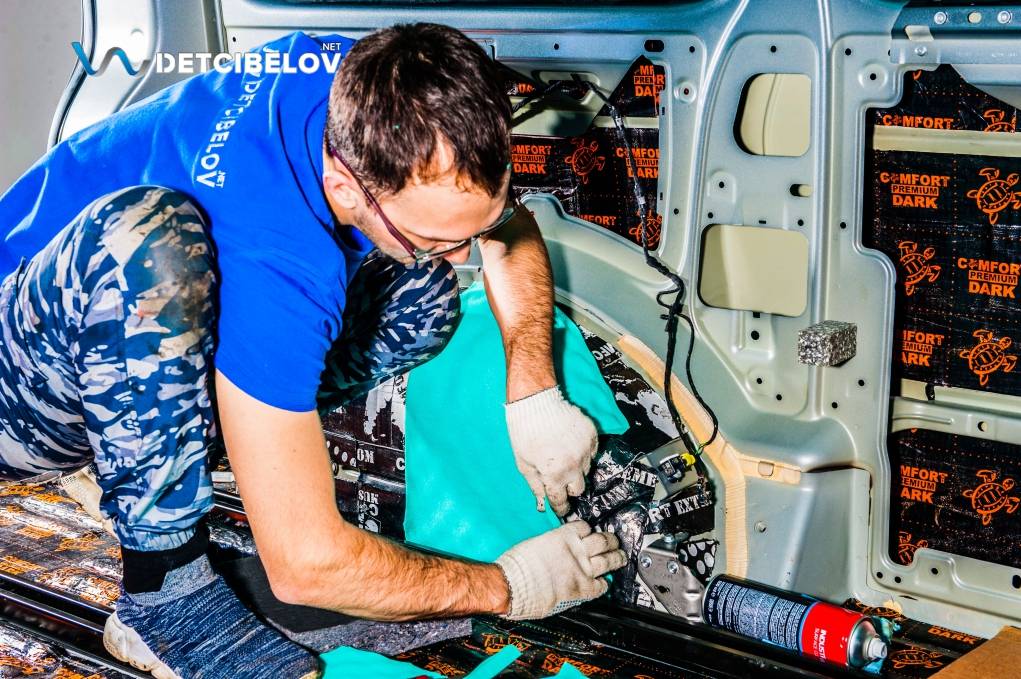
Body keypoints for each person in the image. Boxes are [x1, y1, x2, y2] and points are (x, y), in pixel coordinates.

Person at [0, 23, 626, 679]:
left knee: (424, 298)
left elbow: (503, 226)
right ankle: (164, 596)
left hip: (126, 342)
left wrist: (533, 393)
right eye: (433, 237)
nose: (465, 252)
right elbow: (303, 568)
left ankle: (155, 463)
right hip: (22, 388)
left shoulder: (382, 90)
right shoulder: (277, 256)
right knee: (151, 242)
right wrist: (509, 584)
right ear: (346, 188)